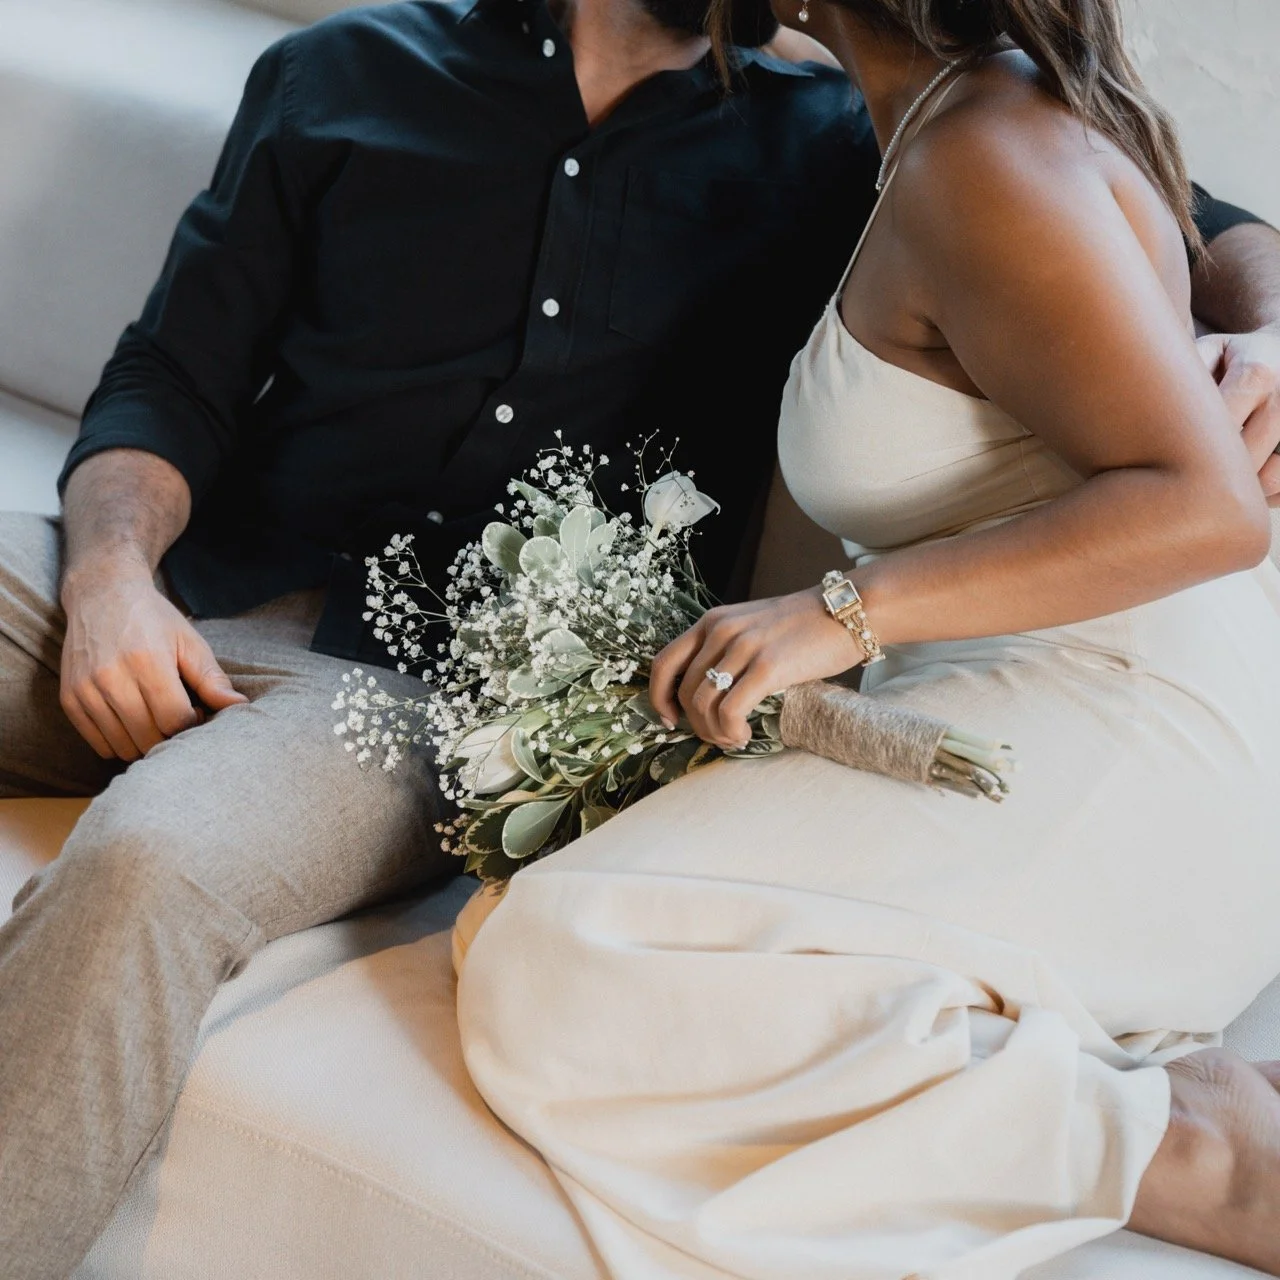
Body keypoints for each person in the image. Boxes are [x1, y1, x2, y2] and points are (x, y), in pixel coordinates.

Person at [0, 0, 1275, 1276]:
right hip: (198, 578)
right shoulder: (338, 73)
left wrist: (1272, 333)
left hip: (418, 695)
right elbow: (170, 376)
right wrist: (113, 580)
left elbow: (1197, 230)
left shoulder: (857, 137)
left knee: (158, 859)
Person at [454, 2, 1280, 1278]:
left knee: (556, 965)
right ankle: (1096, 1045)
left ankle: (1189, 1142)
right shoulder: (955, 115)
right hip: (1058, 699)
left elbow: (1205, 507)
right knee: (524, 919)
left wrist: (836, 614)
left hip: (1131, 729)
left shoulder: (984, 154)